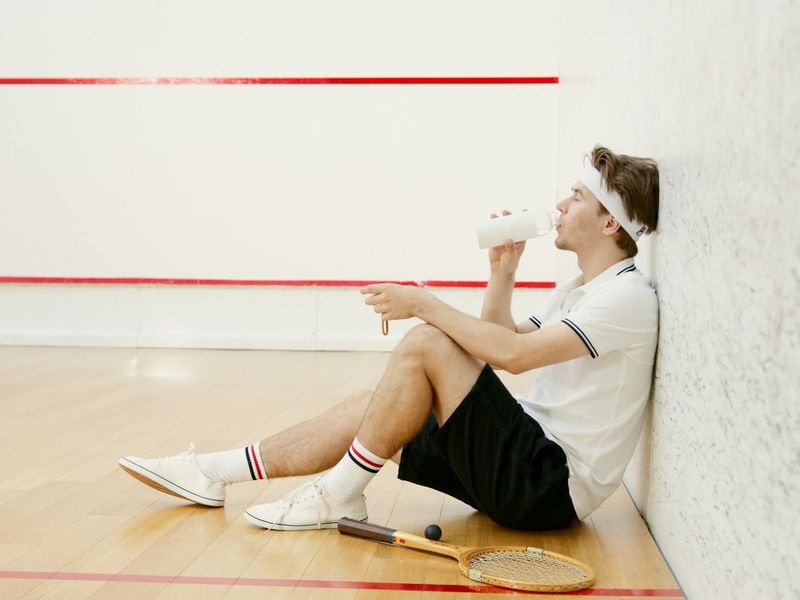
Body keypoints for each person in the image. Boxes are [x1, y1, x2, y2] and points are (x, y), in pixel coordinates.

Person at [118, 145, 660, 531]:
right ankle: (213, 472)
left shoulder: (627, 297)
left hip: (547, 486)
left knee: (427, 340)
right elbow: (500, 339)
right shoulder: (579, 290)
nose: (561, 206)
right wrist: (503, 273)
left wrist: (424, 302)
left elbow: (514, 358)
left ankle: (337, 494)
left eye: (578, 197)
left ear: (611, 222)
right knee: (370, 408)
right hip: (522, 461)